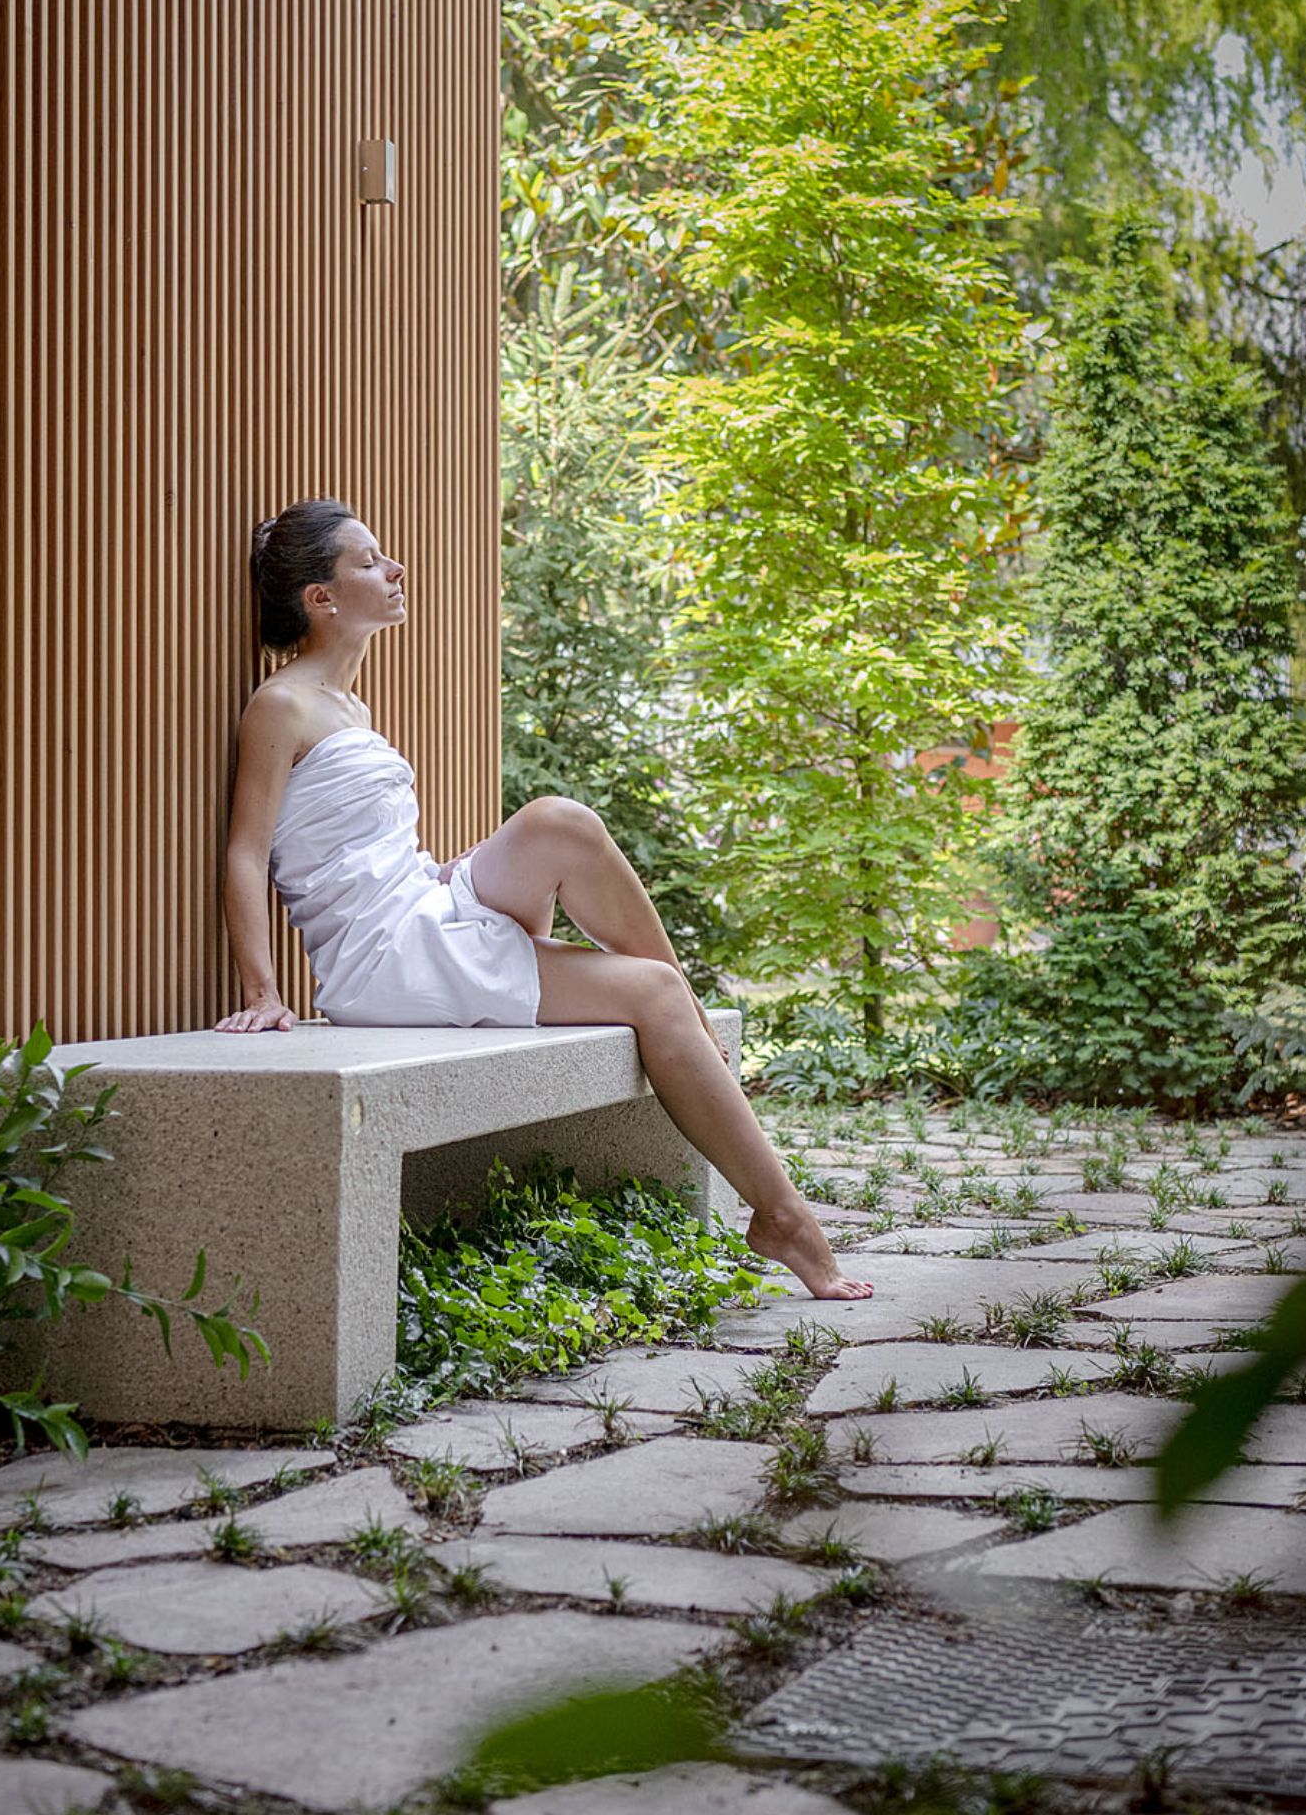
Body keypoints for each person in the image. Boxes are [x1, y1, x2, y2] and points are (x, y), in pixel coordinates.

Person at [214, 499, 874, 1302]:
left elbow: (360, 854)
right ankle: (782, 1215)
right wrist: (264, 993)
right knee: (653, 993)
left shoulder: (350, 706)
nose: (395, 569)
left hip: (420, 906)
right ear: (321, 597)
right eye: (369, 561)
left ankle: (698, 1032)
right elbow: (247, 852)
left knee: (560, 823)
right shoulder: (280, 705)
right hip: (385, 959)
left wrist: (445, 875)